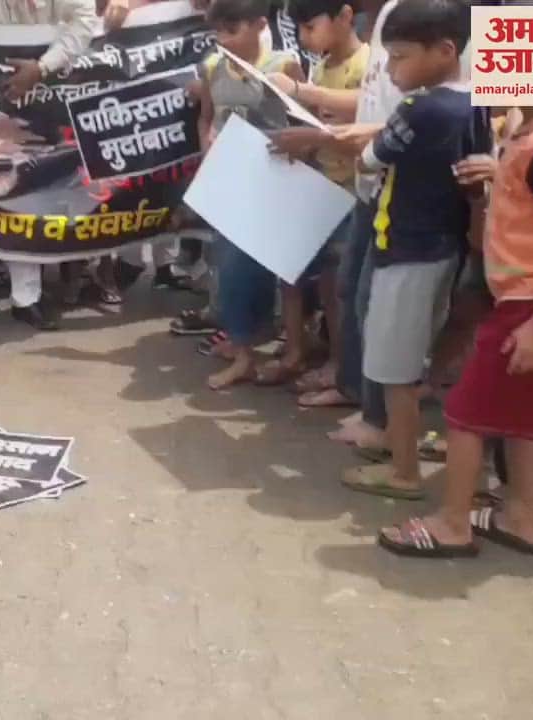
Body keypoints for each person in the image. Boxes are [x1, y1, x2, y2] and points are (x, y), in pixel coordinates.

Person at [377, 0, 533, 557]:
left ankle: (452, 523)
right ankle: (521, 514)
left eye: (503, 58)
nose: (488, 72)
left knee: (465, 414)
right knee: (524, 418)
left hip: (531, 302)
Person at [340, 0, 488, 501]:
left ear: (445, 51)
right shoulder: (477, 100)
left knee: (395, 369)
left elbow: (369, 157)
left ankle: (402, 469)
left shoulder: (419, 107)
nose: (391, 69)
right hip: (448, 245)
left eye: (399, 59)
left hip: (409, 249)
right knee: (413, 355)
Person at [0, 0, 97, 344]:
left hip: (44, 89)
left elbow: (86, 20)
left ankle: (27, 297)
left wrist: (43, 67)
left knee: (28, 189)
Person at [192, 0, 303, 389]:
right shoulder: (211, 68)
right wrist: (209, 156)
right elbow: (206, 117)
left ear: (259, 25)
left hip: (275, 179)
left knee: (281, 270)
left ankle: (288, 347)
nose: (224, 40)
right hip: (231, 181)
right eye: (218, 32)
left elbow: (301, 121)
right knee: (232, 266)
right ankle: (243, 352)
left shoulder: (284, 66)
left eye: (232, 30)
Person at [261, 0, 367, 394]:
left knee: (339, 288)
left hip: (353, 193)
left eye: (310, 27)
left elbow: (368, 110)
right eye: (301, 30)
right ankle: (306, 350)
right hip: (320, 188)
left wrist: (303, 90)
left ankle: (342, 369)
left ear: (344, 16)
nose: (305, 38)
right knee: (314, 281)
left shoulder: (367, 63)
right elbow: (319, 125)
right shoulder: (322, 65)